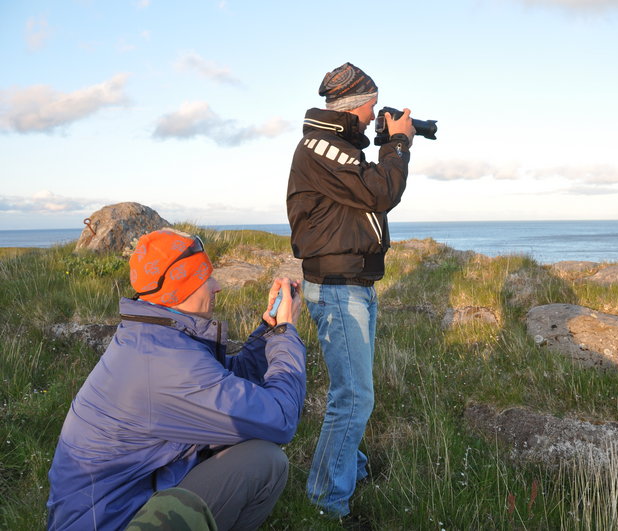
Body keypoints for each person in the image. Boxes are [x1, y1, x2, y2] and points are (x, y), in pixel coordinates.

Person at [46, 228, 306, 531]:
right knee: (265, 461)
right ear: (181, 287)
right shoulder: (165, 364)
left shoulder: (152, 338)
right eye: (205, 277)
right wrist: (286, 334)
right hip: (109, 523)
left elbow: (222, 384)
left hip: (113, 508)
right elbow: (281, 419)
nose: (217, 285)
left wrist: (269, 330)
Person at [286, 62, 415, 518]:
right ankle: (327, 501)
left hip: (352, 282)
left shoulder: (336, 143)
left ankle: (349, 468)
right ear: (358, 103)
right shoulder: (323, 147)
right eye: (374, 105)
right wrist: (398, 143)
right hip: (339, 289)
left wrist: (384, 139)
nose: (377, 111)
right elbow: (379, 192)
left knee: (355, 391)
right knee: (353, 397)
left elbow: (361, 186)